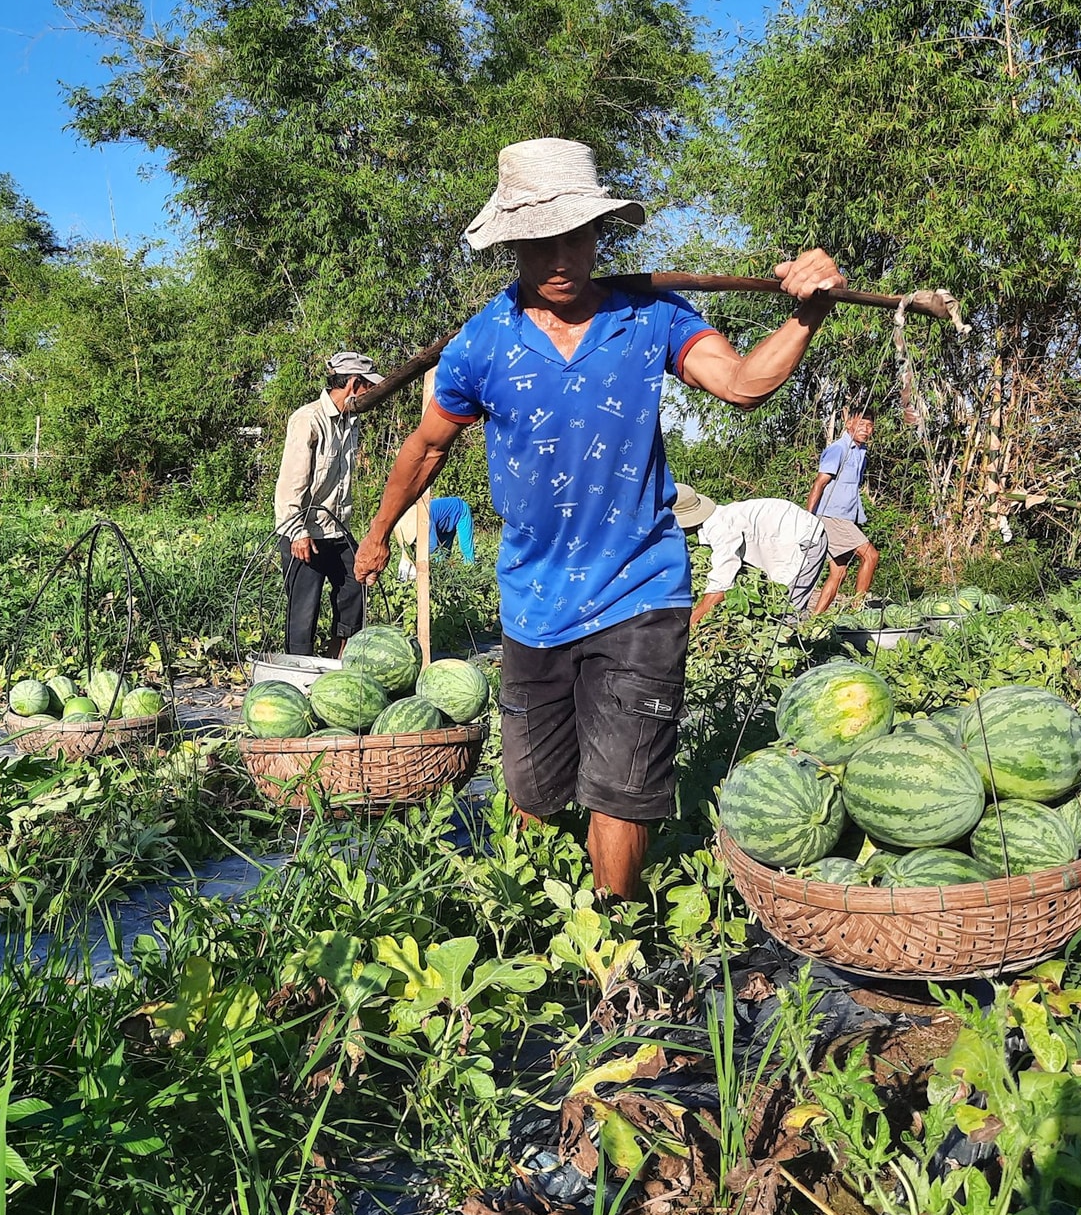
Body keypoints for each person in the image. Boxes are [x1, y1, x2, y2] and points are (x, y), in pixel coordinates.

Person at [353, 137, 844, 898]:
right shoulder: (480, 344)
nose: (558, 257)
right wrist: (378, 534)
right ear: (510, 243)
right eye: (538, 241)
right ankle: (534, 921)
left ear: (597, 235)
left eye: (573, 236)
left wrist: (806, 317)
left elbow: (743, 384)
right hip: (531, 601)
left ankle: (612, 943)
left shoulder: (652, 317)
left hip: (640, 587)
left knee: (621, 784)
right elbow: (425, 449)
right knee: (534, 791)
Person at [274, 350, 383, 658]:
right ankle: (299, 670)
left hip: (336, 530)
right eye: (368, 387)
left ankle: (339, 656)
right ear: (354, 383)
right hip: (304, 531)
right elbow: (290, 484)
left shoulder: (350, 422)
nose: (370, 394)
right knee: (303, 609)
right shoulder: (308, 420)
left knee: (356, 583)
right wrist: (297, 532)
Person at [673, 489, 829, 628]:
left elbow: (721, 586)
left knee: (787, 611)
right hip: (787, 533)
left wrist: (691, 623)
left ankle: (795, 652)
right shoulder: (717, 519)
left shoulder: (720, 529)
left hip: (807, 539)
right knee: (779, 609)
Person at [806, 405, 879, 614]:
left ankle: (815, 619)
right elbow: (819, 483)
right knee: (870, 556)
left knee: (839, 573)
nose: (866, 429)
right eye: (861, 424)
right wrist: (808, 518)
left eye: (870, 425)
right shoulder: (838, 449)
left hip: (845, 517)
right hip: (831, 517)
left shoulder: (861, 452)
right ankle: (857, 609)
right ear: (849, 424)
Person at [394, 495, 477, 581]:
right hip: (443, 522)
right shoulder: (414, 522)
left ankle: (471, 577)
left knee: (466, 549)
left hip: (460, 511)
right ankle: (444, 579)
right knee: (443, 556)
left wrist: (418, 560)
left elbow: (433, 547)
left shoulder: (426, 520)